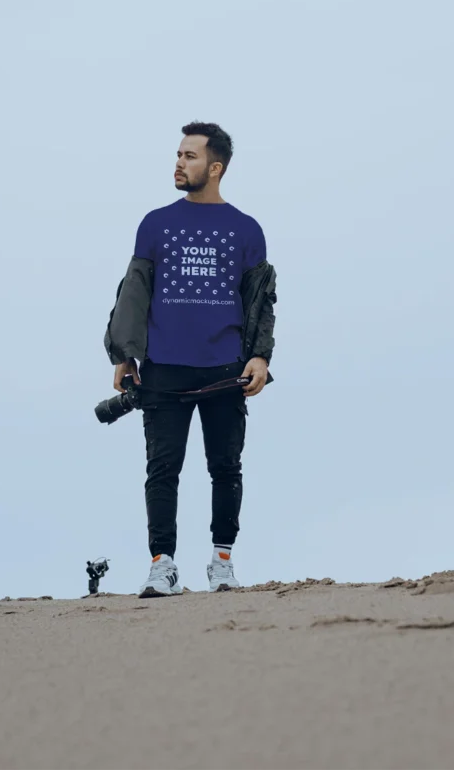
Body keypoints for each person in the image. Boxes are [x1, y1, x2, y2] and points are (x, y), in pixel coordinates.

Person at [104, 122, 277, 597]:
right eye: (178, 154)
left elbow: (261, 300)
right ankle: (162, 566)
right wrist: (125, 356)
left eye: (190, 156)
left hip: (225, 371)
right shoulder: (155, 223)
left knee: (226, 468)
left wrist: (260, 356)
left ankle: (222, 563)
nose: (179, 163)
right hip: (163, 368)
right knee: (162, 470)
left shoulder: (246, 229)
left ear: (215, 167)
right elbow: (134, 294)